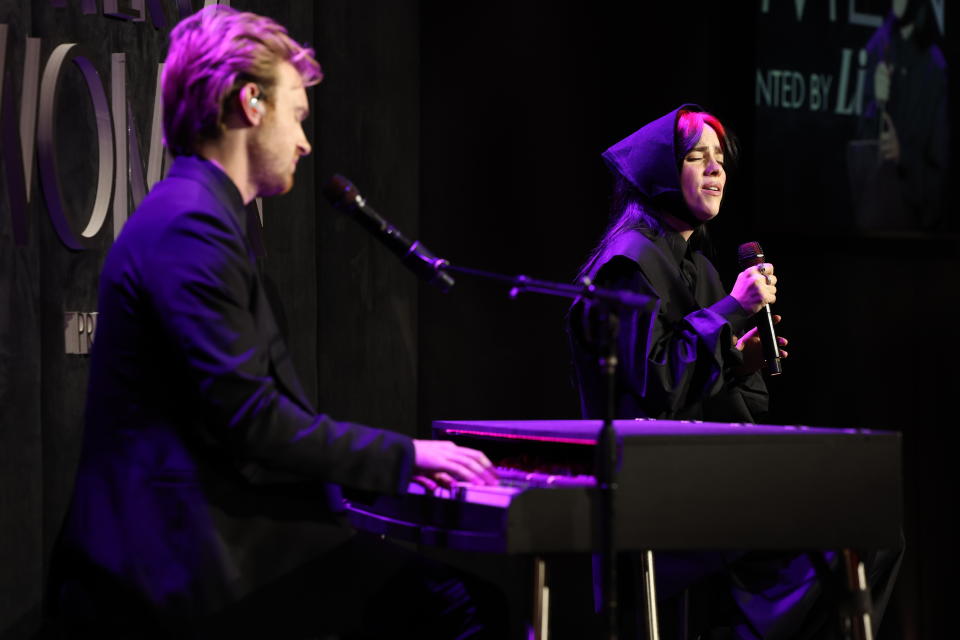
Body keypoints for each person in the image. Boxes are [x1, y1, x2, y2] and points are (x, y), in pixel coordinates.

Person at [50, 6, 502, 638]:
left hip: (208, 534)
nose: (304, 141)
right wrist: (409, 457)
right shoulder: (191, 225)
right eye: (297, 115)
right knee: (459, 604)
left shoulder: (198, 214)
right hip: (182, 556)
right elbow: (251, 421)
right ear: (251, 102)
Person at [569, 106, 899, 639]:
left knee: (874, 526)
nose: (716, 170)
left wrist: (740, 358)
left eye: (720, 158)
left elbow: (724, 390)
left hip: (709, 474)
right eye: (697, 157)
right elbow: (658, 386)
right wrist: (729, 313)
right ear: (659, 171)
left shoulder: (698, 264)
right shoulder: (627, 263)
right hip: (656, 492)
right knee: (849, 531)